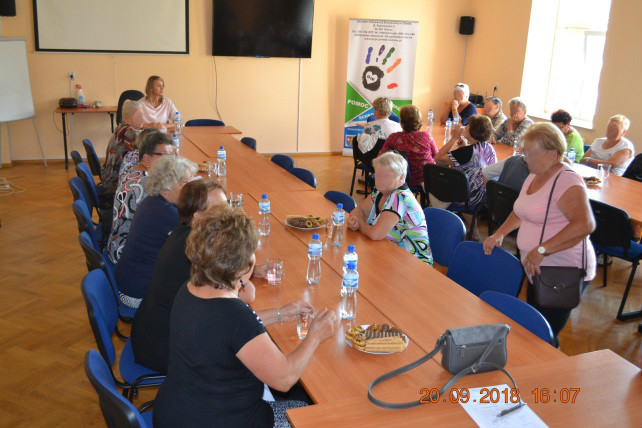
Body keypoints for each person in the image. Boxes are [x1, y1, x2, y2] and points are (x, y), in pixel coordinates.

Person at [153, 205, 337, 428]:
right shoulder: (234, 316)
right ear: (242, 266)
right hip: (220, 421)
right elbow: (285, 379)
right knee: (313, 415)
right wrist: (315, 335)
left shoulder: (190, 289)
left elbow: (230, 334)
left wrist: (281, 313)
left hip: (174, 414)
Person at [131, 180, 301, 372]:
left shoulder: (187, 237)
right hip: (164, 349)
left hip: (150, 332)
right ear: (198, 217)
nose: (229, 213)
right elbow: (242, 303)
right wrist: (246, 272)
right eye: (220, 209)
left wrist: (251, 270)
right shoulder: (193, 256)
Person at [483, 123, 596, 344]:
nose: (524, 158)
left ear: (552, 154)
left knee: (544, 335)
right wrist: (499, 234)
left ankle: (551, 364)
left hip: (561, 269)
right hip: (536, 266)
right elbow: (522, 212)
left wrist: (543, 250)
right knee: (533, 328)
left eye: (529, 153)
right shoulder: (535, 175)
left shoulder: (567, 180)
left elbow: (585, 225)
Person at [115, 156, 197, 308]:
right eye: (185, 182)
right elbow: (200, 238)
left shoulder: (153, 201)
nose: (190, 188)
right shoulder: (167, 214)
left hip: (130, 281)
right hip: (138, 293)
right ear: (169, 183)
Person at [347, 152, 433, 265]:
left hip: (413, 264)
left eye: (385, 176)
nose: (379, 179)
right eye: (377, 174)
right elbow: (359, 211)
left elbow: (375, 234)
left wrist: (360, 223)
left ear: (401, 177)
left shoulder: (401, 197)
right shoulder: (380, 192)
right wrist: (354, 220)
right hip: (389, 254)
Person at [106, 132, 175, 264]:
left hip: (119, 244)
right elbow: (166, 218)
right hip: (125, 254)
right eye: (164, 155)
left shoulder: (137, 172)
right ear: (146, 157)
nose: (171, 160)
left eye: (171, 154)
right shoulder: (145, 185)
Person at [433, 115, 497, 240]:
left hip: (468, 196)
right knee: (463, 187)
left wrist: (453, 138)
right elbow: (475, 163)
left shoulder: (466, 152)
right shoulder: (489, 147)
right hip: (486, 194)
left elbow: (438, 159)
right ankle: (474, 231)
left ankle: (440, 223)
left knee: (439, 183)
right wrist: (465, 146)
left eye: (467, 126)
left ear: (473, 132)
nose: (465, 127)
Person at [380, 105, 438, 188]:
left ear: (401, 122)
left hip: (403, 180)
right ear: (419, 121)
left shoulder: (394, 138)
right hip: (426, 179)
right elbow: (436, 156)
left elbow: (381, 158)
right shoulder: (426, 136)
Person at [101, 100, 145, 194]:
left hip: (110, 177)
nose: (143, 119)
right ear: (126, 118)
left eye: (142, 115)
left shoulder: (122, 127)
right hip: (114, 185)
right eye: (138, 116)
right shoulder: (128, 132)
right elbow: (146, 150)